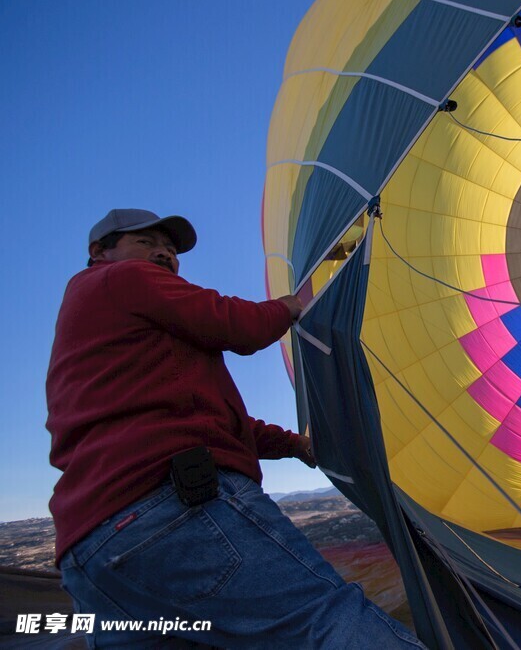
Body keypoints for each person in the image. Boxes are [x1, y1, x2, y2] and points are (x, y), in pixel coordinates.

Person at [47, 209, 423, 648]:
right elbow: (235, 324)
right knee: (322, 621)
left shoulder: (103, 330)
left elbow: (212, 419)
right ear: (100, 252)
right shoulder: (123, 279)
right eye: (145, 242)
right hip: (171, 508)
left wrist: (295, 445)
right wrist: (291, 306)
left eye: (169, 248)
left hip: (91, 555)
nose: (163, 253)